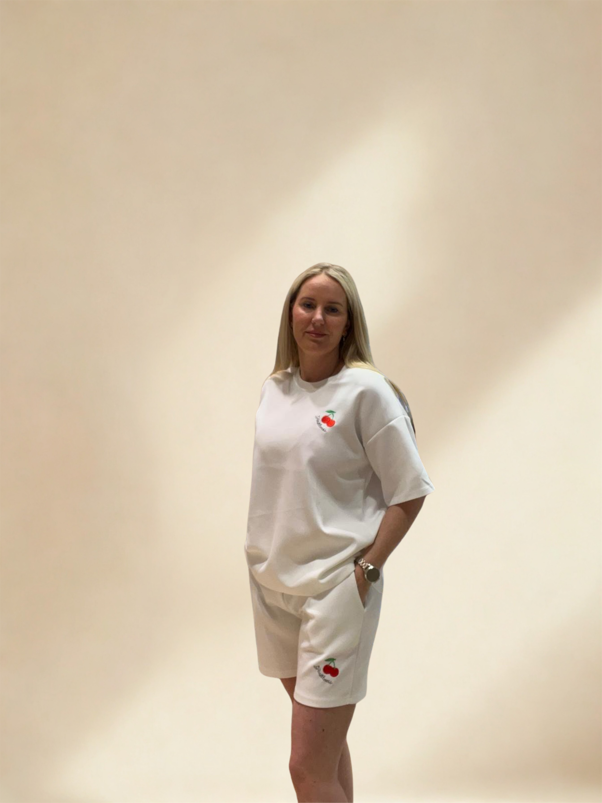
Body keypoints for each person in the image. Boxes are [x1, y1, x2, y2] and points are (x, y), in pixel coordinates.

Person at [244, 262, 435, 803]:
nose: (318, 319)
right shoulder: (274, 389)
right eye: (308, 305)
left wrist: (367, 569)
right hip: (273, 586)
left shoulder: (367, 392)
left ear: (349, 323)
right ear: (290, 311)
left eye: (333, 309)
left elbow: (410, 488)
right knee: (324, 754)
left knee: (306, 766)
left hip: (334, 590)